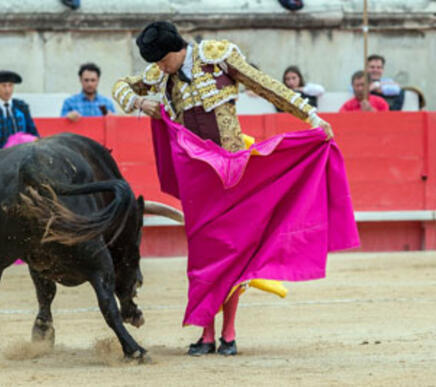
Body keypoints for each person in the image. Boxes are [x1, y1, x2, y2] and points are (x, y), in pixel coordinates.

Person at [112, 21, 335, 357]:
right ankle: (206, 333)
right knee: (204, 256)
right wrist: (140, 104)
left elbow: (266, 86)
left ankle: (228, 332)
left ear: (175, 50)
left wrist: (311, 117)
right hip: (196, 179)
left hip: (232, 171)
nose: (158, 67)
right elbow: (120, 87)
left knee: (233, 251)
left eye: (161, 60)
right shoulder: (160, 75)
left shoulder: (218, 57)